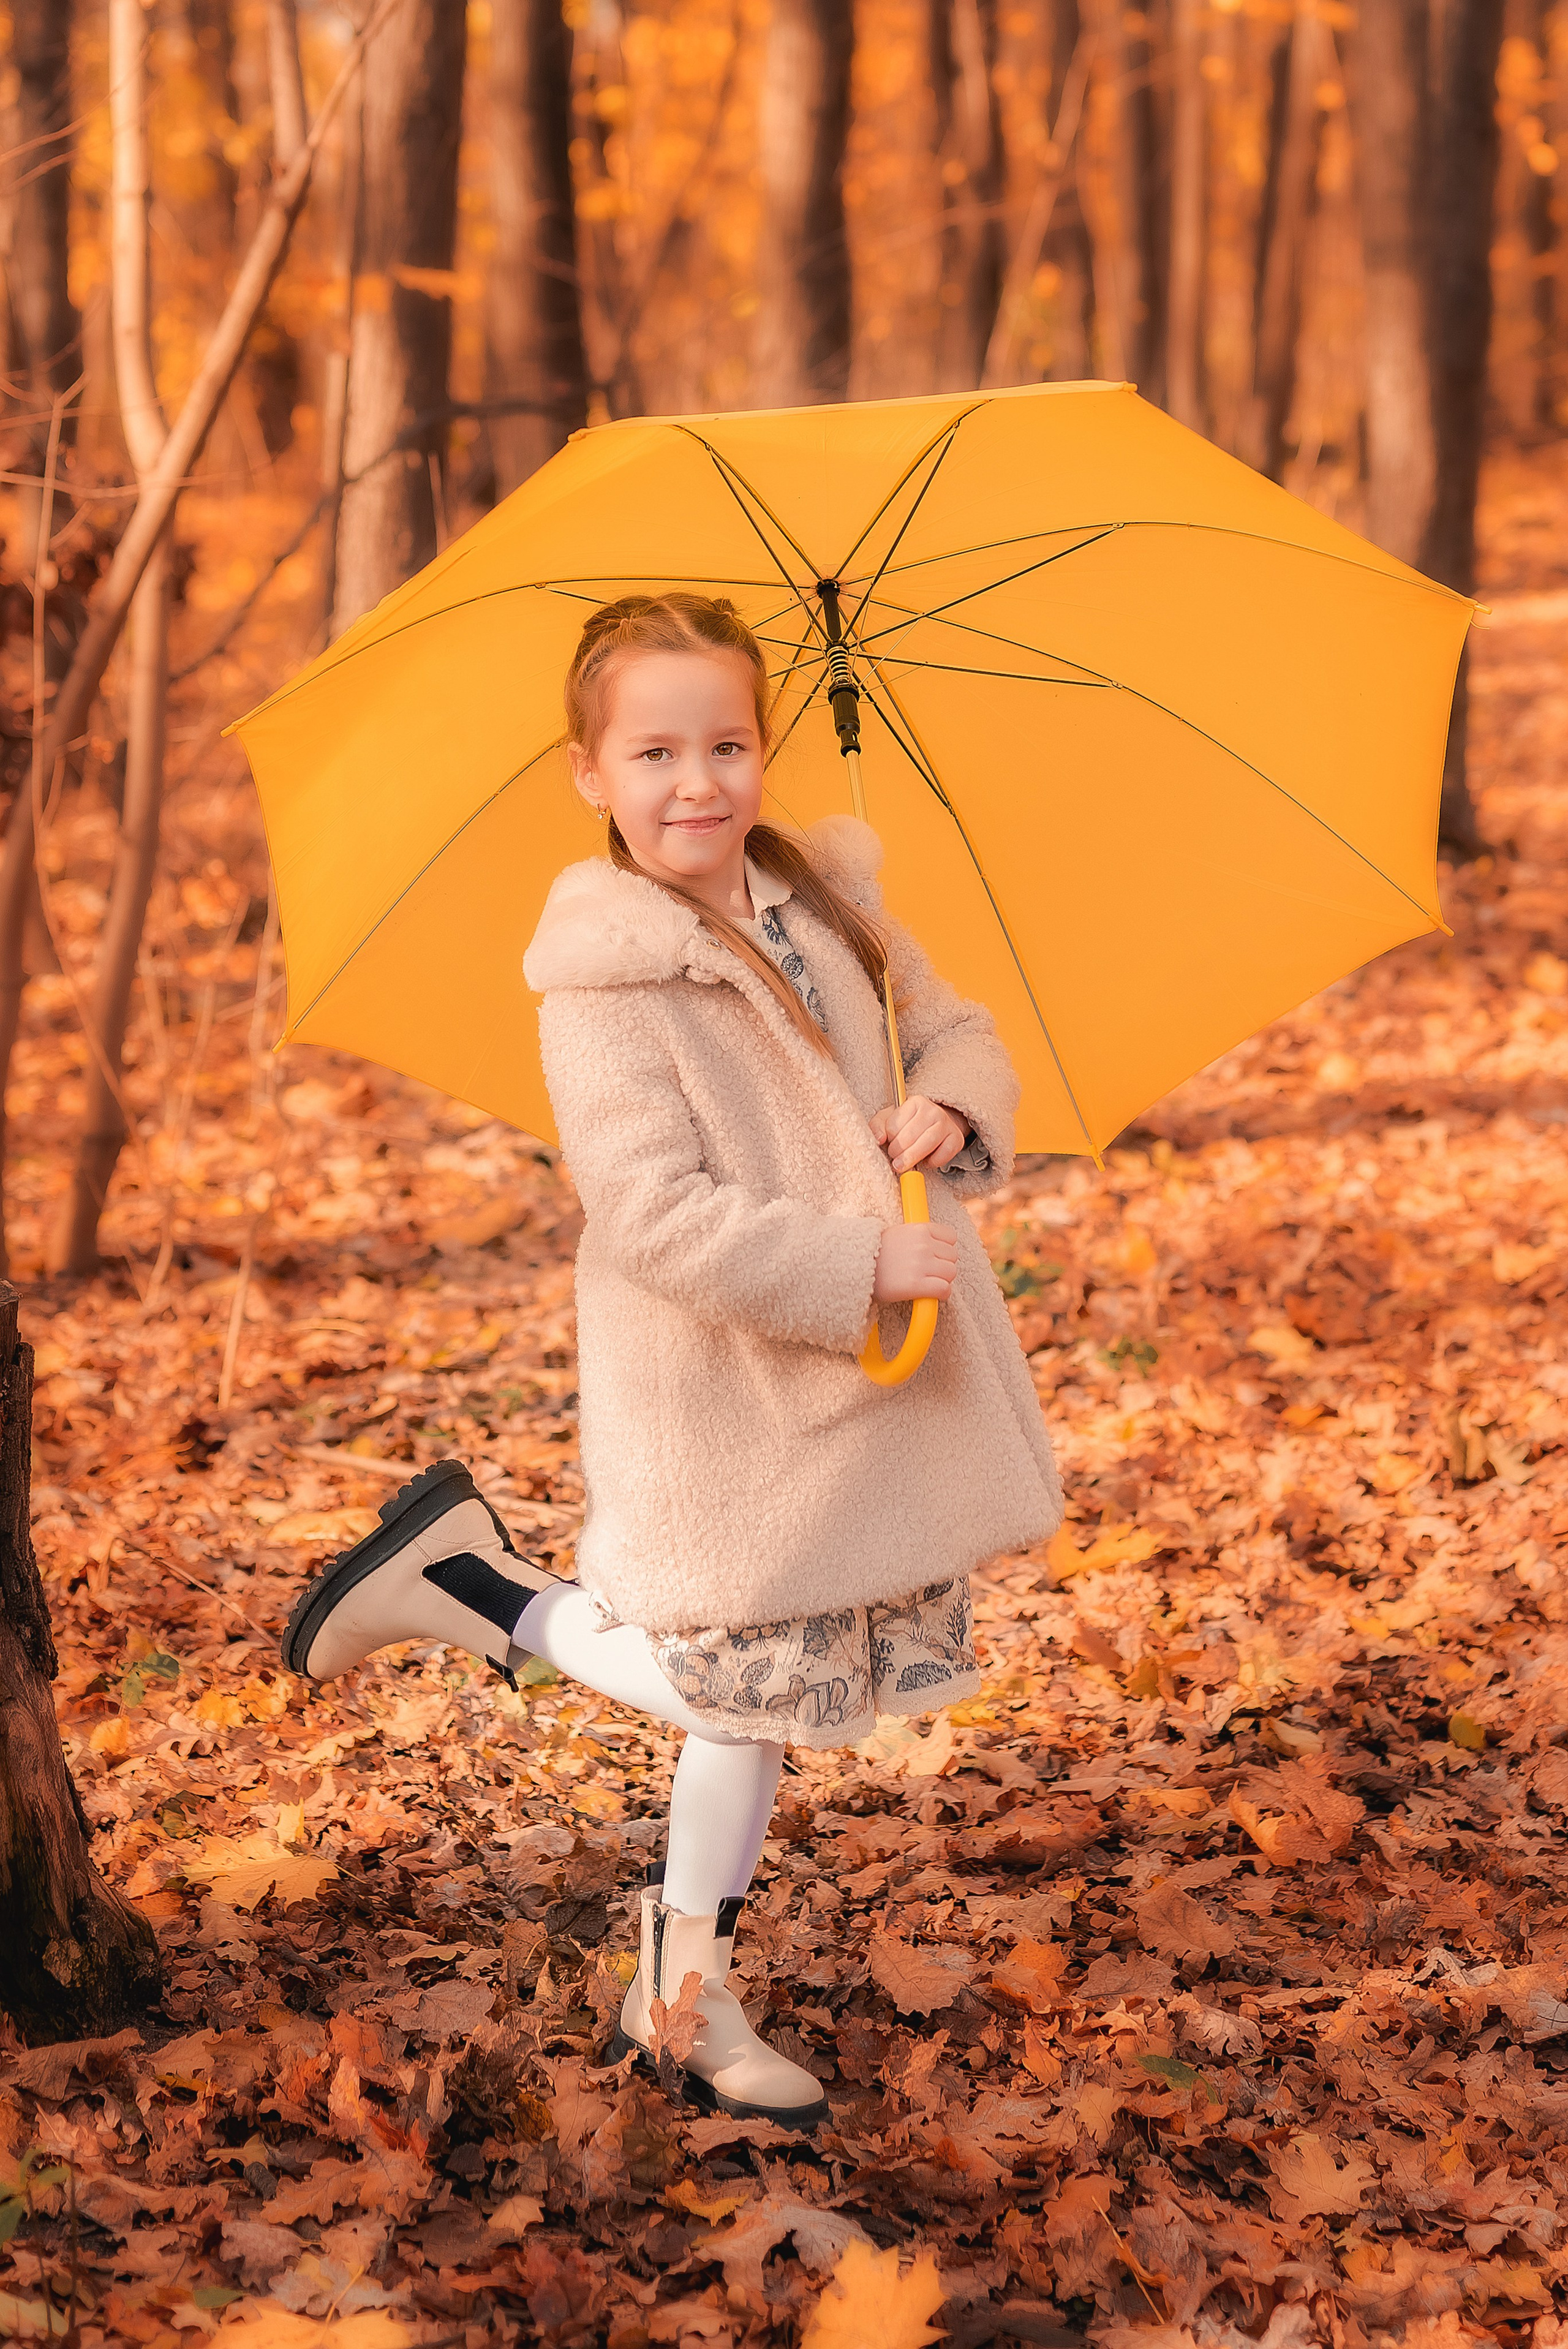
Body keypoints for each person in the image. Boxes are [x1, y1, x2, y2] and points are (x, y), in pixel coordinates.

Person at [280, 593, 1061, 2127]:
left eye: (724, 744)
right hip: (730, 1388)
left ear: (764, 750)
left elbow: (957, 1024)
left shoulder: (826, 899)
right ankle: (478, 1605)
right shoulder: (603, 981)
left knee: (764, 1690)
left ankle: (667, 1963)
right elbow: (647, 1213)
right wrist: (850, 1265)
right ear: (590, 774)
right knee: (737, 1681)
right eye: (654, 751)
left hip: (865, 1385)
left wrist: (948, 1110)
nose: (694, 782)